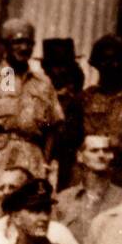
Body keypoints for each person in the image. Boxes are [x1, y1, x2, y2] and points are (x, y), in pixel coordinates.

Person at [0, 19, 63, 206]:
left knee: (28, 208)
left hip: (30, 156)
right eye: (17, 42)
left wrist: (45, 164)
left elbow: (53, 126)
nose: (24, 48)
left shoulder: (43, 83)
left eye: (29, 43)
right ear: (5, 45)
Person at [55, 133, 122, 244]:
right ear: (80, 156)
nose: (101, 155)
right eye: (94, 151)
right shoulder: (63, 199)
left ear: (112, 156)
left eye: (105, 151)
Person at [40, 38, 87, 190]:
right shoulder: (40, 95)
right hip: (42, 157)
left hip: (69, 160)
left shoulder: (79, 99)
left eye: (64, 66)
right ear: (47, 68)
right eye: (56, 66)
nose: (61, 71)